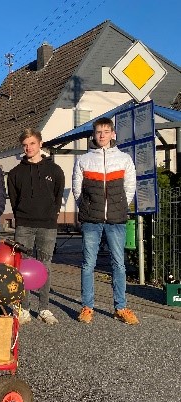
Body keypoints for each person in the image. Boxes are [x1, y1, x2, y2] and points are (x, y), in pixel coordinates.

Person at [72, 117, 138, 325]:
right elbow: (77, 189)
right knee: (88, 263)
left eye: (106, 131)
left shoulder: (124, 159)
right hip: (92, 219)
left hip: (116, 219)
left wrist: (121, 206)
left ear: (113, 134)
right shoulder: (83, 160)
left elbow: (130, 186)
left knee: (119, 264)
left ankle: (121, 307)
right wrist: (86, 207)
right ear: (94, 134)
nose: (102, 135)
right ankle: (87, 307)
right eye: (99, 131)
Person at [7, 129, 65, 325]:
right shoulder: (15, 173)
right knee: (21, 267)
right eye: (25, 144)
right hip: (24, 225)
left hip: (47, 225)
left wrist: (51, 214)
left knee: (45, 266)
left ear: (40, 144)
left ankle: (44, 308)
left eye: (32, 143)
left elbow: (58, 196)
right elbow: (14, 201)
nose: (29, 147)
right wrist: (22, 217)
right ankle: (23, 308)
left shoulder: (54, 170)